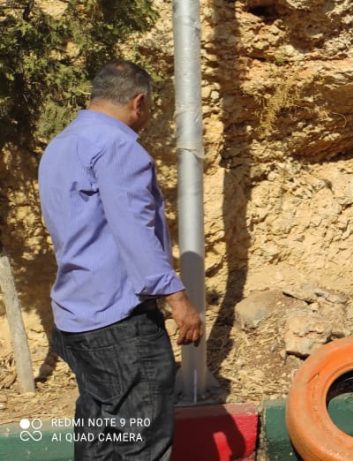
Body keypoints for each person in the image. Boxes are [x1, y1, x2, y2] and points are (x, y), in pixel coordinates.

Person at [38, 60, 202, 460]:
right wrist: (177, 298)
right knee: (143, 443)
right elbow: (135, 230)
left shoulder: (61, 144)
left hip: (76, 319)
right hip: (120, 326)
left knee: (99, 439)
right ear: (138, 102)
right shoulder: (117, 146)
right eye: (149, 109)